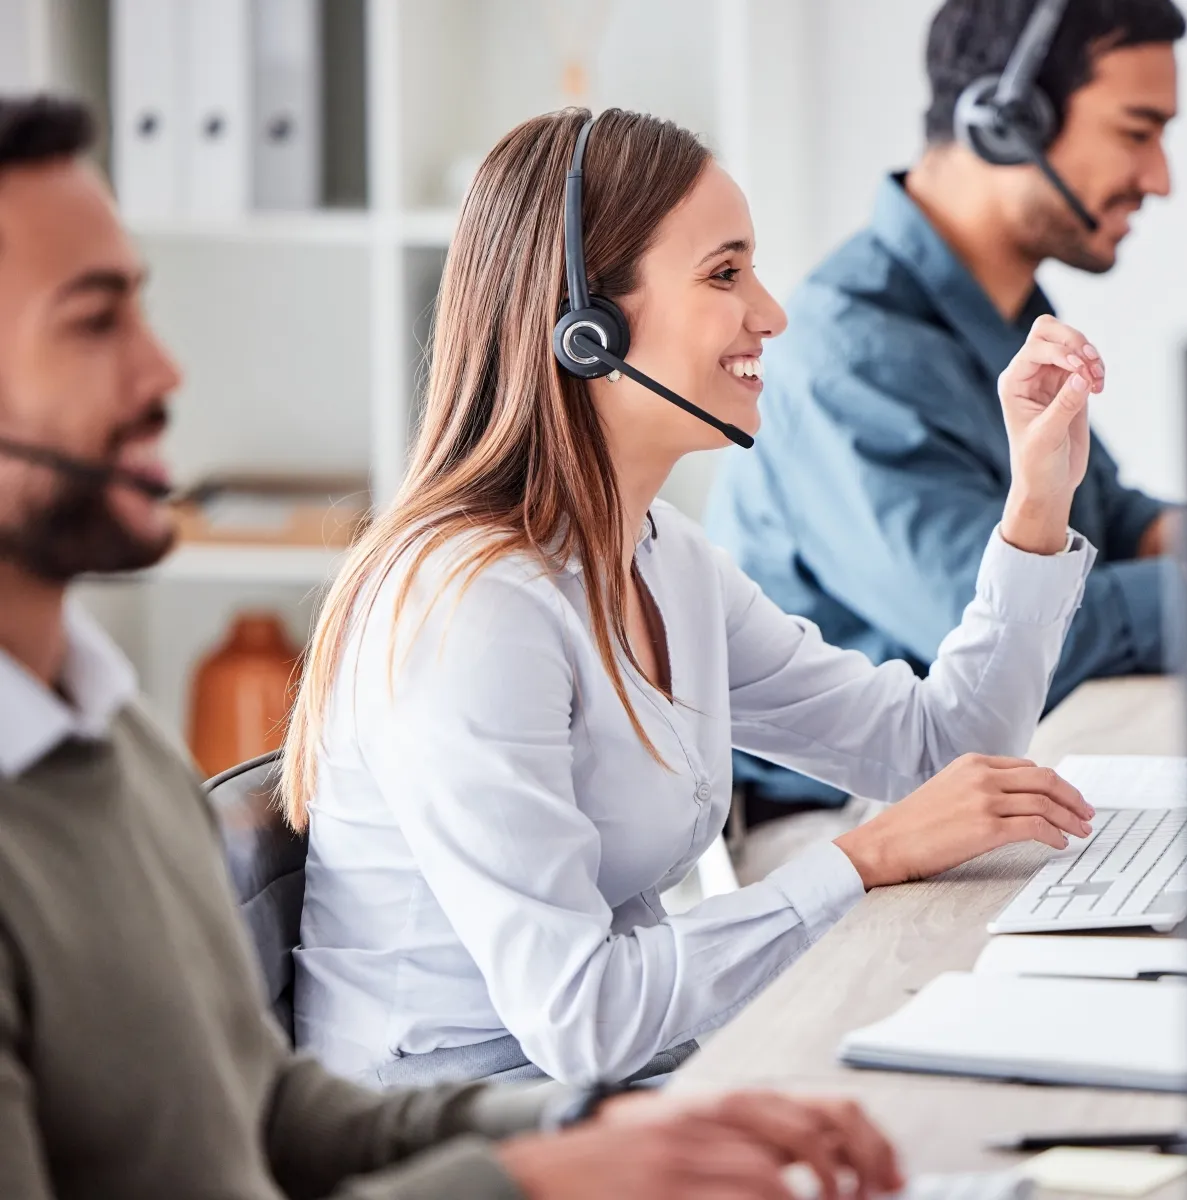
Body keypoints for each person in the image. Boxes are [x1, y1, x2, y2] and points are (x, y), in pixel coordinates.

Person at [0, 93, 906, 1200]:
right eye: (95, 323)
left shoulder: (117, 748)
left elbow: (273, 1112)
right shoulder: (474, 603)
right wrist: (532, 1177)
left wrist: (596, 1130)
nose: (166, 374)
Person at [283, 106, 1104, 1089]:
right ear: (586, 329)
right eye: (724, 274)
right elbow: (580, 1020)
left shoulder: (663, 558)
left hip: (622, 1095)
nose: (773, 311)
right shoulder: (472, 611)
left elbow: (937, 747)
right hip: (469, 1139)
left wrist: (1036, 504)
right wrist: (862, 858)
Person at [704, 0, 1187, 856]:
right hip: (840, 819)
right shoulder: (848, 357)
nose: (1159, 178)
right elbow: (1033, 633)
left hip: (982, 763)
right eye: (1136, 131)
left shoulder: (1000, 310)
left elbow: (1116, 523)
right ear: (1007, 120)